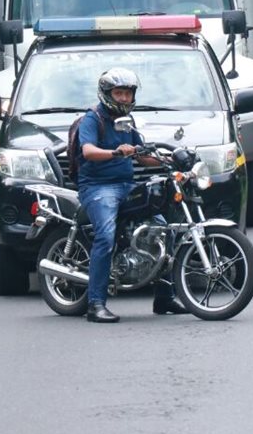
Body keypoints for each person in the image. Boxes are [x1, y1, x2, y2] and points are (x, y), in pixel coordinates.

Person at [77, 68, 187, 323]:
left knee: (164, 228)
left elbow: (140, 154)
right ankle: (95, 304)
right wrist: (116, 152)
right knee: (104, 235)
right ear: (107, 94)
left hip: (126, 185)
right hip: (97, 187)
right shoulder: (93, 118)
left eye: (128, 93)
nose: (124, 99)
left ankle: (164, 297)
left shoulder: (127, 122)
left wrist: (169, 158)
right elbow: (88, 151)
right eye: (119, 93)